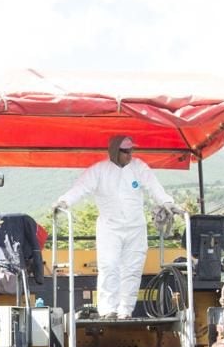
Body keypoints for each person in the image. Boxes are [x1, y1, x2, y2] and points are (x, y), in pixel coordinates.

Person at [55, 135, 184, 320]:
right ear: (115, 151)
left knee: (132, 269)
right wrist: (64, 202)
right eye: (125, 151)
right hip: (110, 228)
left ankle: (125, 311)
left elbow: (154, 186)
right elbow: (81, 188)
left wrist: (167, 202)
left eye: (131, 150)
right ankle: (108, 310)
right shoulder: (99, 171)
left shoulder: (139, 167)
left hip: (136, 228)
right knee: (109, 266)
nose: (129, 154)